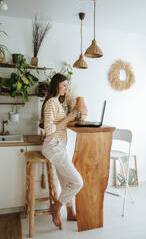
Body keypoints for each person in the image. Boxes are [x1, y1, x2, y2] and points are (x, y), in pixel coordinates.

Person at [41, 73, 83, 230]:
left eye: (67, 85)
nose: (67, 88)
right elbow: (49, 129)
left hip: (59, 146)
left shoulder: (58, 103)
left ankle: (70, 212)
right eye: (64, 85)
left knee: (66, 182)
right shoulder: (51, 102)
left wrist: (73, 116)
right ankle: (56, 207)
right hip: (53, 145)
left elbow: (59, 123)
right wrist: (68, 118)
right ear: (56, 84)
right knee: (77, 182)